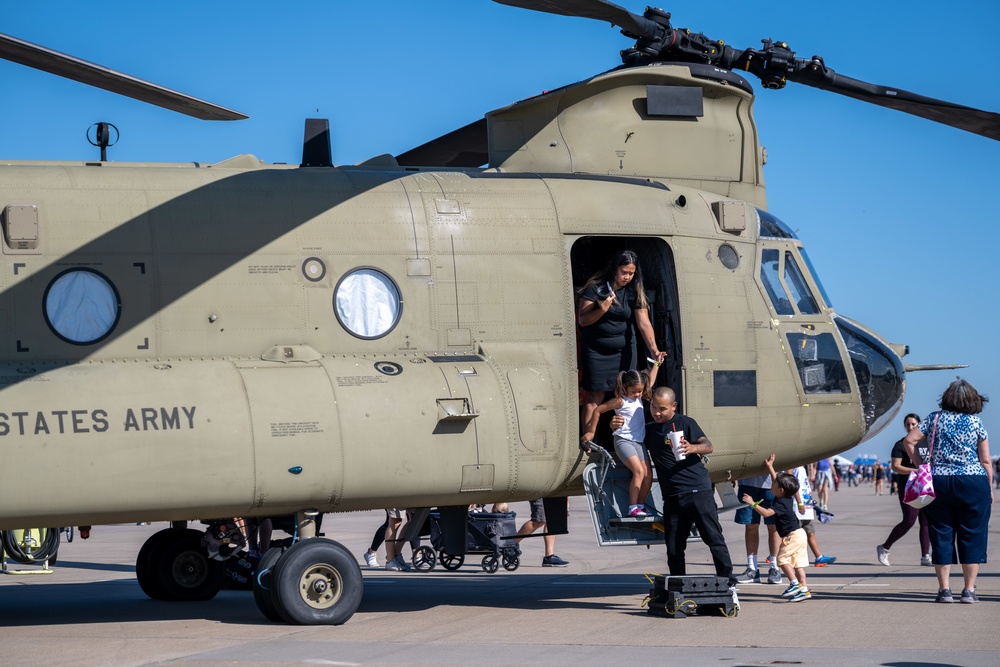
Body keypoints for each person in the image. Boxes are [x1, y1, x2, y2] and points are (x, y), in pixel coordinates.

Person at [903, 378, 991, 604]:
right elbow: (986, 461)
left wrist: (922, 465)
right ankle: (969, 590)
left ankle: (944, 590)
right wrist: (988, 488)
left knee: (940, 532)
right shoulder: (976, 423)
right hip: (972, 481)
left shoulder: (934, 418)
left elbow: (909, 441)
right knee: (973, 533)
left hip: (939, 479)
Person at [640, 387, 734, 584]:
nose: (657, 413)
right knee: (674, 546)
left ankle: (727, 581)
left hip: (698, 491)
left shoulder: (685, 423)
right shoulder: (648, 428)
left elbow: (708, 445)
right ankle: (677, 585)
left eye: (663, 409)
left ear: (673, 406)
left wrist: (694, 448)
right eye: (654, 407)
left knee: (713, 538)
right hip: (672, 496)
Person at [578, 250, 665, 435]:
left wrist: (653, 349)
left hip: (624, 350)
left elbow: (644, 323)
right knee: (595, 395)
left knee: (625, 394)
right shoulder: (595, 288)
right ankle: (588, 438)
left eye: (631, 273)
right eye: (624, 272)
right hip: (596, 351)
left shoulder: (634, 291)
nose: (627, 277)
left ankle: (623, 437)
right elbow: (583, 320)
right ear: (614, 269)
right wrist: (601, 309)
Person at [582, 364, 659, 517]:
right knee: (638, 471)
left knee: (648, 475)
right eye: (634, 391)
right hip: (623, 441)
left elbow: (650, 380)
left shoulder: (639, 397)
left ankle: (640, 505)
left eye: (640, 390)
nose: (638, 394)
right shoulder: (620, 401)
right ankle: (632, 508)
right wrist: (591, 432)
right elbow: (598, 410)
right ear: (624, 387)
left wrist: (657, 363)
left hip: (638, 442)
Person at [742, 454, 811, 602]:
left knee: (782, 559)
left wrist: (752, 503)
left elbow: (767, 513)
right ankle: (804, 590)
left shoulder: (780, 503)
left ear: (780, 490)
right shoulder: (784, 496)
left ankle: (794, 584)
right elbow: (776, 480)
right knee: (797, 563)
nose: (771, 484)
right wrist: (770, 467)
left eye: (774, 485)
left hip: (792, 536)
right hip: (799, 534)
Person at [876, 413, 931, 567]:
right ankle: (885, 547)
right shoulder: (900, 445)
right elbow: (895, 467)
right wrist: (914, 470)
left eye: (914, 424)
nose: (911, 427)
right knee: (909, 520)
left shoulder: (927, 444)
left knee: (926, 521)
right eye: (908, 424)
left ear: (919, 425)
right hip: (908, 487)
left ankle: (925, 555)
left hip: (925, 485)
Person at [732, 473, 782, 585]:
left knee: (773, 526)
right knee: (750, 525)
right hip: (747, 483)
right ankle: (752, 569)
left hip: (772, 485)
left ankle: (774, 567)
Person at [790, 464, 837, 567]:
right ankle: (774, 556)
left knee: (810, 533)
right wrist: (799, 503)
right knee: (793, 536)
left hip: (807, 508)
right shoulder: (796, 469)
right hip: (798, 508)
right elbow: (793, 487)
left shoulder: (802, 469)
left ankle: (819, 557)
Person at [515, 499, 569, 567]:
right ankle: (509, 544)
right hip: (540, 491)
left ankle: (549, 556)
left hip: (552, 492)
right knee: (538, 520)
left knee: (552, 518)